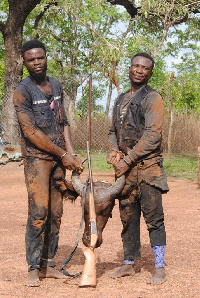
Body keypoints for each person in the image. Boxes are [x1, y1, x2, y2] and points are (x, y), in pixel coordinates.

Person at [13, 40, 83, 287]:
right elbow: (30, 131)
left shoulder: (55, 84)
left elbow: (63, 122)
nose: (36, 63)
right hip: (37, 160)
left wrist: (71, 156)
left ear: (46, 57)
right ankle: (33, 268)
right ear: (25, 62)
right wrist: (63, 155)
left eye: (40, 58)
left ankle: (48, 263)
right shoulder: (22, 91)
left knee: (56, 213)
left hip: (59, 159)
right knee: (38, 212)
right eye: (31, 60)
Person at [106, 53, 169, 284]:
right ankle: (129, 263)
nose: (139, 70)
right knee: (127, 217)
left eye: (144, 68)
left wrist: (128, 158)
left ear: (150, 72)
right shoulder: (121, 98)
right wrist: (114, 150)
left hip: (148, 168)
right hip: (126, 171)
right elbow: (113, 130)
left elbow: (153, 135)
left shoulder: (153, 98)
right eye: (135, 66)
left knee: (154, 219)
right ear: (129, 68)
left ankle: (159, 267)